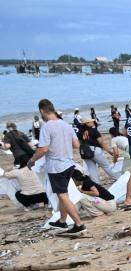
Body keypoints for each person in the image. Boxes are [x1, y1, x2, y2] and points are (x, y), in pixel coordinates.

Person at [28, 99, 85, 236]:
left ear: (42, 111)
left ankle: (79, 224)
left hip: (56, 167)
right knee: (62, 194)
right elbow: (77, 145)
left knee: (63, 195)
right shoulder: (66, 125)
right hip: (69, 164)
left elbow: (43, 149)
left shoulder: (47, 127)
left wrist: (32, 160)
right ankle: (62, 221)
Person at [78, 117, 118, 183]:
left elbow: (79, 142)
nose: (93, 122)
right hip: (95, 150)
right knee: (105, 166)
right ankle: (116, 178)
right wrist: (109, 151)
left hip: (85, 151)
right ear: (87, 123)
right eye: (91, 121)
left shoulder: (80, 133)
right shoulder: (93, 130)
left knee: (91, 168)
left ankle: (97, 184)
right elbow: (101, 142)